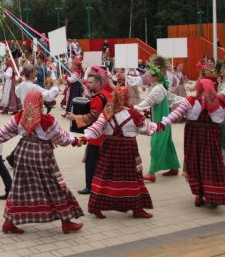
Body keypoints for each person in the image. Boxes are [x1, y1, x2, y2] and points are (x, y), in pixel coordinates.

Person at [0, 91, 84, 235]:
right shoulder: (46, 120)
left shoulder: (20, 116)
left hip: (23, 153)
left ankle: (8, 223)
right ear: (41, 103)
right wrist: (75, 140)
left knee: (19, 188)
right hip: (42, 155)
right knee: (55, 185)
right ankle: (66, 222)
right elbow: (61, 138)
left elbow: (4, 132)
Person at [81, 86, 157, 219]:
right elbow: (147, 130)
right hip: (128, 150)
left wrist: (84, 137)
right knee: (133, 178)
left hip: (109, 149)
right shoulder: (133, 114)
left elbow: (95, 129)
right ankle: (137, 209)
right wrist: (159, 126)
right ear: (126, 97)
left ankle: (95, 206)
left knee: (103, 177)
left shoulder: (107, 113)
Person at [160, 79, 225, 207]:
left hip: (196, 136)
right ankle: (206, 195)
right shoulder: (217, 103)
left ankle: (203, 195)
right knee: (208, 163)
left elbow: (177, 114)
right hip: (206, 136)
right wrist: (164, 122)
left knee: (199, 163)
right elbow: (177, 113)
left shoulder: (195, 101)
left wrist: (164, 122)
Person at [134, 56, 184, 182]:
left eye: (149, 75)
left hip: (161, 123)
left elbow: (147, 102)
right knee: (167, 144)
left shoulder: (157, 89)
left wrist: (131, 109)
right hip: (164, 120)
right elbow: (171, 97)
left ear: (155, 77)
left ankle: (151, 173)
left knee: (156, 144)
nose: (147, 77)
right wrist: (187, 100)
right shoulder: (160, 86)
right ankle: (173, 167)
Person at [66, 72, 111, 195]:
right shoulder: (106, 94)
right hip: (106, 133)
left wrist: (75, 117)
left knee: (91, 162)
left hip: (96, 135)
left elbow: (92, 117)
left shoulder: (98, 97)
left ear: (98, 83)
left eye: (90, 82)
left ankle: (90, 187)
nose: (88, 84)